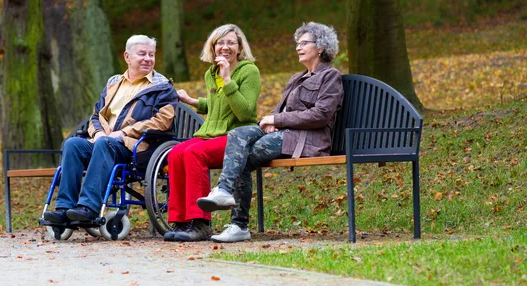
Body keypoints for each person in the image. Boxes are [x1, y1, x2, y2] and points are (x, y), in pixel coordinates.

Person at [197, 22, 344, 243]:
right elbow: (280, 110)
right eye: (297, 43)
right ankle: (225, 193)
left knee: (243, 156)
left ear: (321, 47)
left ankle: (238, 224)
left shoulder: (330, 77)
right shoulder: (297, 78)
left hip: (306, 140)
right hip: (285, 134)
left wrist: (278, 119)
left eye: (304, 43)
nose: (298, 47)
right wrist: (271, 121)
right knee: (238, 135)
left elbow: (321, 115)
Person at [44, 35, 178, 223]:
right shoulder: (114, 83)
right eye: (142, 54)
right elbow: (96, 114)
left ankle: (88, 207)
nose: (148, 58)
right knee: (73, 144)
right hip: (104, 142)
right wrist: (98, 132)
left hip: (135, 146)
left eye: (151, 54)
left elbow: (163, 121)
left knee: (106, 144)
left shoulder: (162, 87)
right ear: (127, 57)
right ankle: (64, 208)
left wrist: (124, 133)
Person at [165, 23, 261, 242]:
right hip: (210, 134)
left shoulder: (248, 71)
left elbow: (245, 112)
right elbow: (219, 104)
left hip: (236, 136)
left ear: (239, 47)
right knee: (176, 154)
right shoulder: (211, 73)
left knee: (194, 154)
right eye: (220, 42)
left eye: (231, 43)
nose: (225, 47)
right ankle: (181, 221)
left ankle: (201, 223)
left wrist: (228, 79)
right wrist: (192, 101)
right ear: (213, 46)